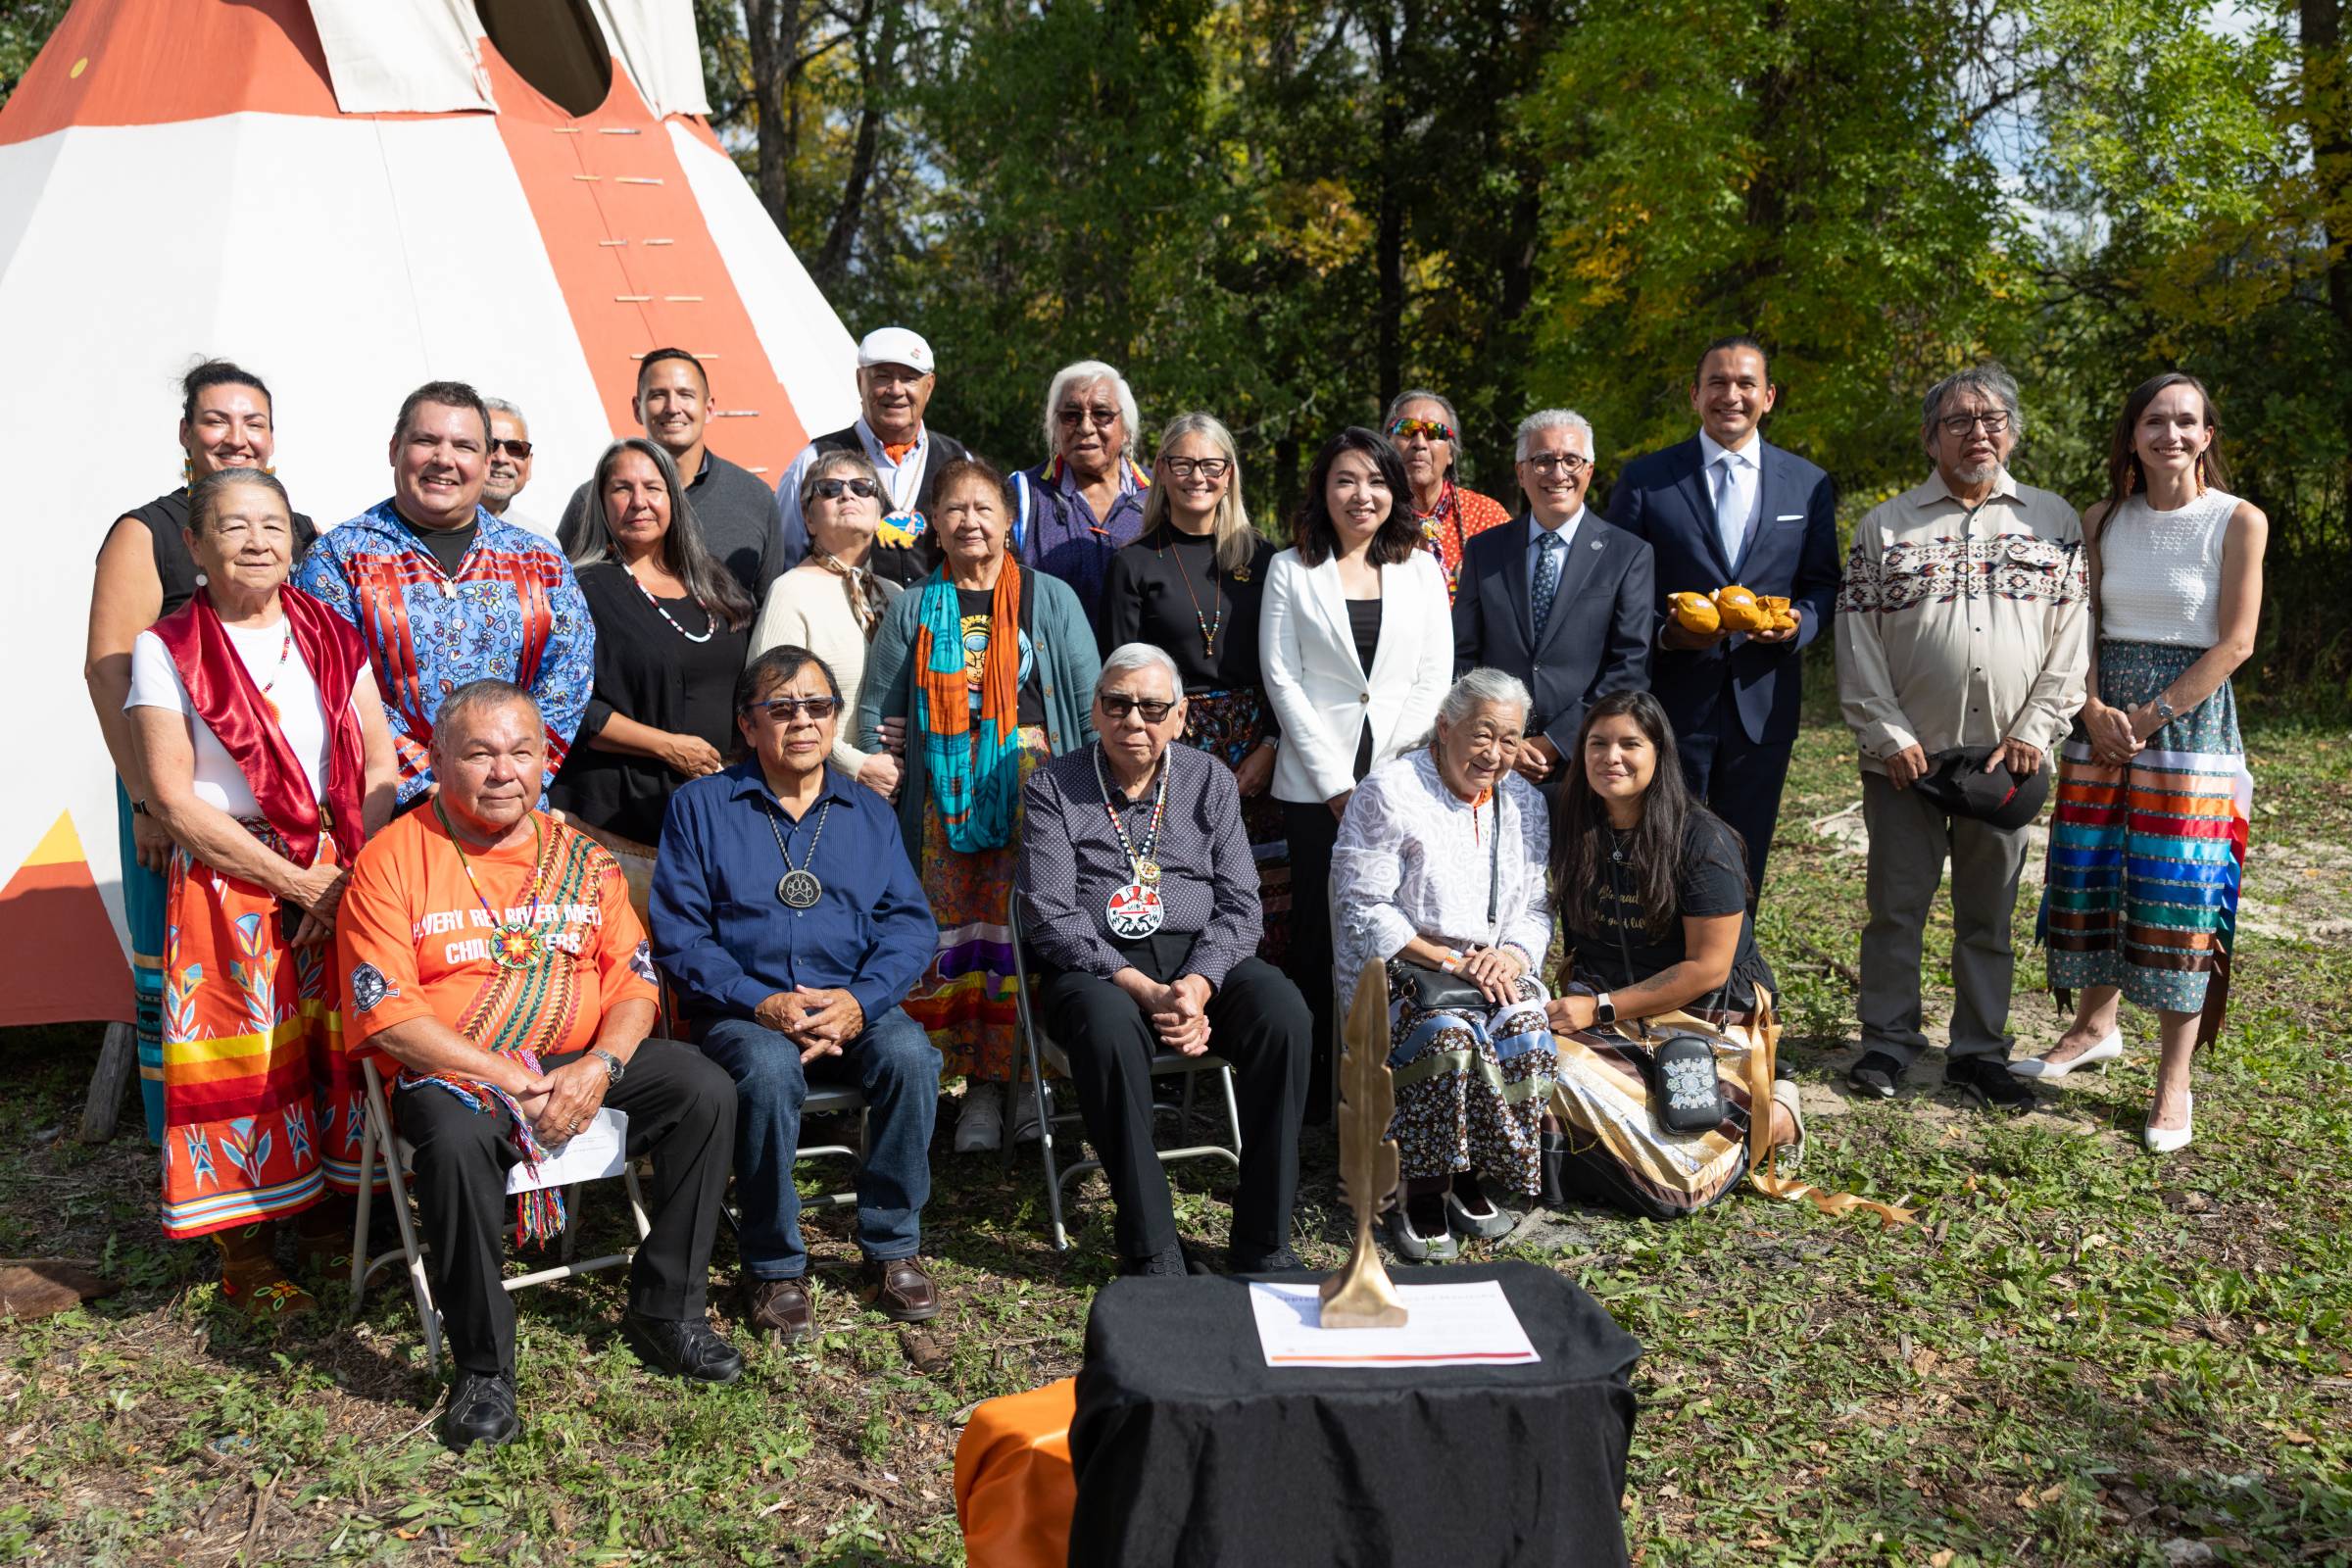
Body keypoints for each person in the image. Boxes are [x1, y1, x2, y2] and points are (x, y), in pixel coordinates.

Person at [337, 681, 742, 1450]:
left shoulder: (581, 858)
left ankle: (667, 1311)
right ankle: (483, 1367)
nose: (503, 772)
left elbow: (634, 982)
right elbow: (390, 1013)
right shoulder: (393, 858)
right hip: (461, 1071)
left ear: (545, 760)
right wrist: (517, 1079)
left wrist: (599, 1065)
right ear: (434, 759)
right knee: (453, 1144)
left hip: (578, 1056)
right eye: (480, 753)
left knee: (707, 1088)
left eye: (521, 752)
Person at [126, 468, 397, 1312]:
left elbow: (379, 760)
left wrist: (349, 876)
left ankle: (324, 1211)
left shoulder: (332, 633)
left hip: (334, 862)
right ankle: (247, 1252)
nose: (257, 541)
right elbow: (172, 798)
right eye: (235, 526)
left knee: (330, 1043)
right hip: (226, 880)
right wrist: (297, 884)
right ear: (195, 546)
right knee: (243, 1059)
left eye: (273, 526)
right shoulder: (165, 647)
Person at [652, 646, 945, 1340]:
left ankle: (893, 1245)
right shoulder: (701, 807)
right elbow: (681, 937)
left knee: (910, 1054)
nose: (803, 723)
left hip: (853, 1004)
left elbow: (909, 926)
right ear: (749, 727)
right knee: (766, 1068)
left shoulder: (867, 813)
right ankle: (774, 1265)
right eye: (781, 709)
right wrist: (763, 1002)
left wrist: (859, 1003)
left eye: (818, 708)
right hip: (744, 1013)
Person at [2016, 373, 2267, 1153]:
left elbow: (2236, 641)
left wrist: (2153, 716)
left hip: (2188, 727)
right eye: (2154, 421)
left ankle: (2173, 1083)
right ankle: (2093, 1029)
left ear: (2207, 435)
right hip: (2100, 719)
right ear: (2131, 436)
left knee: (2176, 900)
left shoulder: (2238, 521)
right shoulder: (2101, 520)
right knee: (2093, 874)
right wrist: (2092, 709)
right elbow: (2079, 628)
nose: (2171, 434)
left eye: (2186, 421)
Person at [1837, 364, 2089, 1112]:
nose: (1979, 432)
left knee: (1990, 914)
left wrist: (2037, 730)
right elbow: (1856, 640)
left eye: (1993, 419)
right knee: (1896, 906)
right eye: (1959, 421)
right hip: (1905, 763)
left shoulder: (2053, 520)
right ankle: (1887, 1041)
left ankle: (1979, 1052)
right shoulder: (1885, 526)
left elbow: (2070, 638)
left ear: (2011, 431)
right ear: (1930, 437)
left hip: (2006, 760)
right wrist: (1886, 733)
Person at [1016, 645, 1309, 1275]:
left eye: (1152, 708)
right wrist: (1144, 989)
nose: (1133, 721)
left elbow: (1240, 904)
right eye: (1118, 704)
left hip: (1199, 953)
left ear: (1179, 716)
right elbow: (1049, 913)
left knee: (1284, 1013)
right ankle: (1151, 1246)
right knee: (1107, 1028)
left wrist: (1200, 984)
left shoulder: (1208, 780)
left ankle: (1263, 1243)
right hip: (1096, 966)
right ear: (1095, 712)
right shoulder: (1054, 786)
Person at [86, 358, 319, 1142]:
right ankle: (184, 1143)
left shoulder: (299, 528)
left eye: (253, 422)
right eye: (217, 421)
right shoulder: (147, 531)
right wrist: (150, 803)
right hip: (177, 790)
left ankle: (293, 1143)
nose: (236, 437)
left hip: (283, 795)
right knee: (186, 973)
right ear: (186, 433)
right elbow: (108, 667)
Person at [860, 458, 1102, 1152]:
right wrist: (883, 762)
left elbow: (1088, 713)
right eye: (955, 509)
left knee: (1030, 931)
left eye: (984, 508)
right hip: (941, 798)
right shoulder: (912, 607)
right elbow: (877, 709)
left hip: (1038, 792)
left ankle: (1031, 1086)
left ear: (1007, 521)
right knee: (958, 941)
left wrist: (1092, 805)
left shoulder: (1049, 600)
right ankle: (975, 1091)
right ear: (934, 524)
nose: (970, 521)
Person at [1543, 692, 1805, 1217]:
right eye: (1597, 743)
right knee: (1536, 1061)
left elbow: (1708, 966)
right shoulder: (1568, 822)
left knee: (1674, 1191)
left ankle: (1773, 1116)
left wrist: (1600, 1008)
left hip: (1701, 1015)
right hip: (1603, 1013)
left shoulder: (1701, 839)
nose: (1610, 756)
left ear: (1659, 754)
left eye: (1629, 744)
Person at [1261, 427, 1454, 1114]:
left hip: (1401, 787)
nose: (1360, 494)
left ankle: (1394, 1075)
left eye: (1375, 481)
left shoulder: (1422, 570)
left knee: (1398, 928)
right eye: (1345, 480)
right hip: (1317, 791)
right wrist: (1339, 783)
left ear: (1395, 493)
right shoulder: (1291, 570)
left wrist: (1383, 781)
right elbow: (1283, 680)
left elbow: (1435, 679)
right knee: (1320, 933)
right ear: (1322, 489)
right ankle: (1318, 1092)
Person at [1330, 669, 1553, 1262]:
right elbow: (1362, 907)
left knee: (1526, 1025)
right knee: (1445, 1036)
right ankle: (1422, 1190)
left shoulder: (1526, 802)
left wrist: (1509, 957)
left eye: (1510, 740)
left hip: (1491, 968)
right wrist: (1451, 960)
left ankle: (1475, 1172)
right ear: (1446, 726)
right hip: (1410, 965)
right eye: (1483, 734)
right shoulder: (1391, 791)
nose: (1494, 753)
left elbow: (1535, 905)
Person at [1608, 335, 1840, 892]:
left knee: (1745, 850)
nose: (1730, 395)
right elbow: (1617, 591)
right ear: (1694, 394)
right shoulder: (1647, 480)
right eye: (1716, 382)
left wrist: (1797, 625)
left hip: (1762, 703)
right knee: (1657, 848)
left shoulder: (1806, 484)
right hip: (1668, 704)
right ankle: (1661, 970)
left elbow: (1822, 584)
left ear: (1769, 396)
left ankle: (1735, 973)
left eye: (1745, 384)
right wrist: (1664, 636)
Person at [294, 380, 594, 809]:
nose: (444, 459)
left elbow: (569, 677)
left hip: (512, 805)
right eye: (426, 441)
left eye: (463, 446)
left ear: (487, 460)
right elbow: (334, 685)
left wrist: (512, 774)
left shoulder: (539, 562)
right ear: (395, 449)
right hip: (393, 809)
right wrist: (425, 782)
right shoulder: (339, 560)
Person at [1098, 413, 1287, 961]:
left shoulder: (1263, 557)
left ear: (1229, 474)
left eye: (1210, 465)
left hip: (1260, 748)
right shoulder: (1133, 564)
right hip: (1171, 745)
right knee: (1186, 886)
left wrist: (1270, 747)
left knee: (1263, 892)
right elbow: (1122, 674)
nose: (1196, 476)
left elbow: (1284, 664)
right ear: (1160, 471)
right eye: (1182, 463)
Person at [551, 437, 756, 898]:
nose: (639, 502)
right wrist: (666, 747)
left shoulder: (713, 579)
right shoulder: (582, 587)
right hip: (622, 824)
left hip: (716, 815)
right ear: (601, 503)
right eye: (622, 489)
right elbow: (567, 707)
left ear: (673, 499)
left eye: (653, 487)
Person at [1452, 410, 1653, 787]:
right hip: (1492, 759)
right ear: (1521, 472)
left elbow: (1630, 666)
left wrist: (1556, 741)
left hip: (1586, 760)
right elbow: (1464, 654)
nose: (1558, 473)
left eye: (1571, 460)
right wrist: (1499, 738)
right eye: (1543, 460)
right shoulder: (1484, 551)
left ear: (1589, 470)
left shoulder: (1628, 554)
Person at [559, 348, 783, 602]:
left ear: (709, 408)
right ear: (636, 408)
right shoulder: (592, 501)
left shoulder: (755, 498)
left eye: (686, 395)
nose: (672, 407)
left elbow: (769, 607)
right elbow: (559, 594)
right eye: (658, 395)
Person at [750, 449, 905, 802]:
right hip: (820, 793)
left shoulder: (896, 596)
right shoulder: (790, 591)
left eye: (863, 487)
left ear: (880, 511)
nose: (847, 494)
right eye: (830, 489)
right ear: (808, 518)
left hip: (899, 792)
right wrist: (857, 766)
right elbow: (771, 706)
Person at [773, 327, 971, 586]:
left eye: (910, 378)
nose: (896, 390)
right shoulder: (814, 460)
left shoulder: (959, 461)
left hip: (939, 624)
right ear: (859, 381)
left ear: (929, 386)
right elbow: (783, 562)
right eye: (882, 377)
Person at [1009, 359, 1151, 620]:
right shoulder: (1022, 494)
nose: (1086, 427)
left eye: (1102, 414)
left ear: (1126, 430)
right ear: (1054, 428)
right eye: (1071, 416)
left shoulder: (1160, 494)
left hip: (1142, 658)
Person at [1386, 389, 1512, 604]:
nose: (1420, 443)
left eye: (1435, 432)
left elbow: (1516, 587)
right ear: (1386, 444)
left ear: (1451, 453)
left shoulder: (1486, 515)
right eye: (1406, 429)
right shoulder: (1372, 514)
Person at [479, 398, 553, 539]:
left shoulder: (543, 544)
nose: (501, 458)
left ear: (529, 464)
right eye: (489, 444)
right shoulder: (434, 532)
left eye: (515, 448)